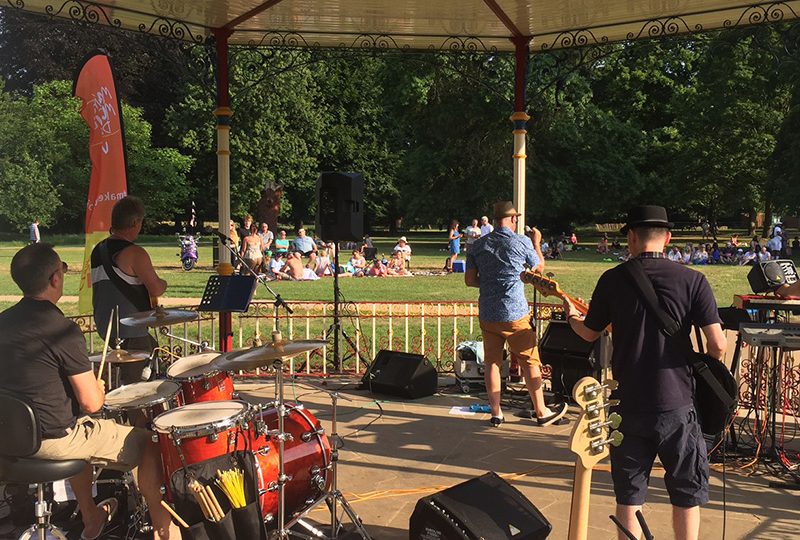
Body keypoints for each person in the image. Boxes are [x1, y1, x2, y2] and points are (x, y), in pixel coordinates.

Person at [562, 205, 726, 540]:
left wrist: (571, 318)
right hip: (677, 402)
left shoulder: (612, 280)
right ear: (667, 238)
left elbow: (589, 334)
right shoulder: (693, 280)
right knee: (686, 491)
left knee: (630, 494)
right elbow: (718, 344)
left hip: (627, 404)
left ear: (632, 238)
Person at [0, 244, 178, 539]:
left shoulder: (3, 321)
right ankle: (164, 529)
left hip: (7, 436)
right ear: (55, 279)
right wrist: (97, 387)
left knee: (80, 428)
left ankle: (91, 516)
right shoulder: (61, 329)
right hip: (52, 441)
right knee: (149, 443)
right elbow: (92, 403)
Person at [465, 201, 568, 428]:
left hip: (489, 314)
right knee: (530, 361)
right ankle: (541, 411)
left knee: (492, 362)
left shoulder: (478, 245)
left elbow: (470, 280)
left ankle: (496, 413)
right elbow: (538, 267)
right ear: (513, 220)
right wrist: (537, 243)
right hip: (515, 314)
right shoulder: (521, 241)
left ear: (493, 220)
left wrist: (491, 283)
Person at [91, 196, 166, 384]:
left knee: (154, 350)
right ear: (135, 222)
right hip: (130, 327)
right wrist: (164, 283)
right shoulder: (134, 253)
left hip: (106, 324)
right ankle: (133, 412)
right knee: (135, 388)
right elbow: (156, 288)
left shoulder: (98, 250)